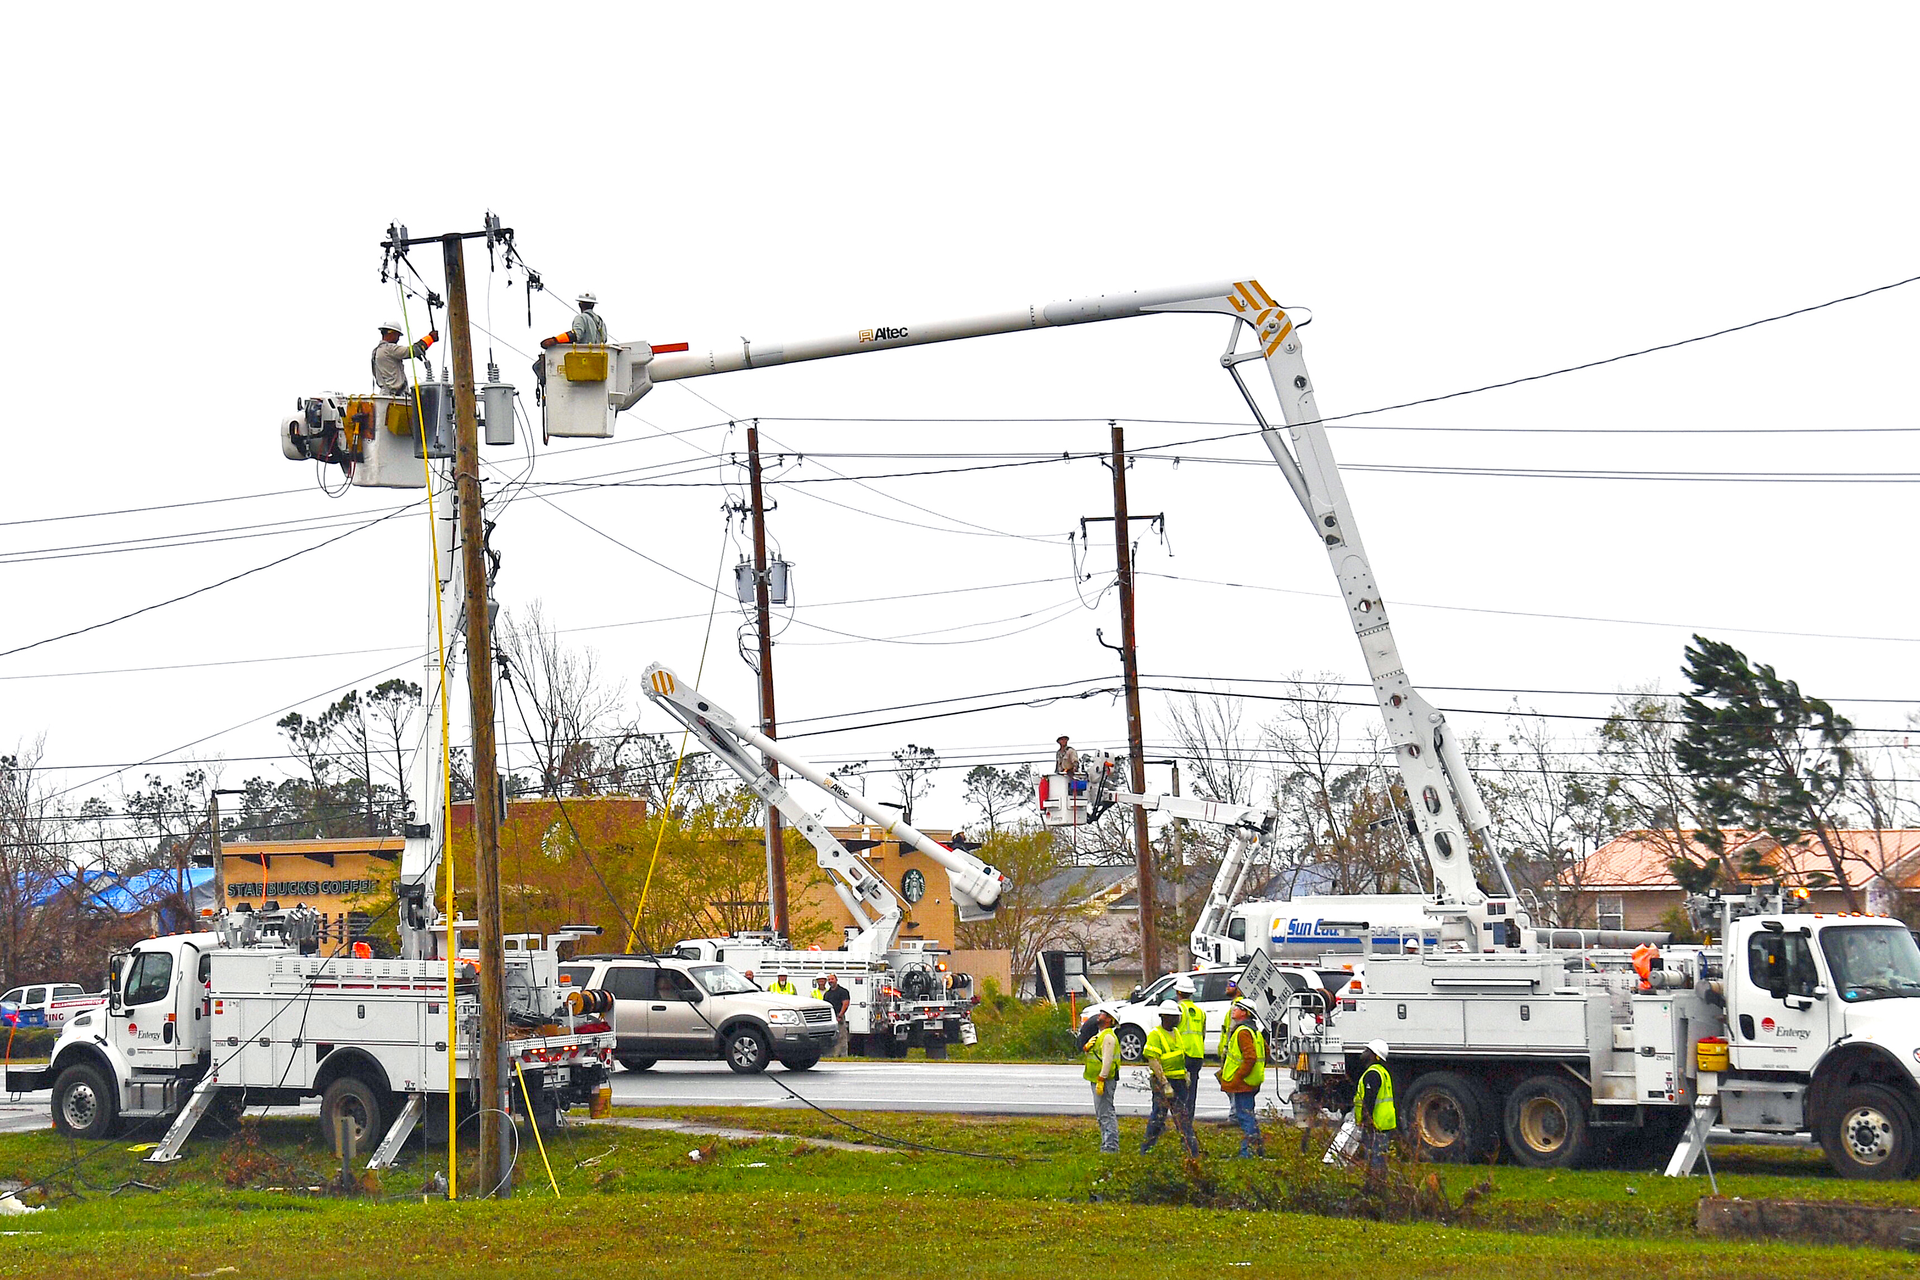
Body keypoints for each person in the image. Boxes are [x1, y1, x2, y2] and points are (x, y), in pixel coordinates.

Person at [1140, 1006, 1199, 1156]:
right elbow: (1153, 1060)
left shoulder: (1176, 1033)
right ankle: (1146, 1150)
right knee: (1158, 1117)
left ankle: (1191, 1152)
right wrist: (1164, 1083)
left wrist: (1185, 1074)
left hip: (1179, 1082)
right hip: (1164, 1083)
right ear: (1165, 1017)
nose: (1178, 1019)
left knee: (1182, 1117)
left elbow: (1180, 1055)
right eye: (1174, 1016)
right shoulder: (1156, 1034)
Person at [1215, 1003, 1266, 1158]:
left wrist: (1238, 1077)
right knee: (1248, 1115)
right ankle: (1257, 1149)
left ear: (1245, 1013)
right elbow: (1266, 1051)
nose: (1233, 1010)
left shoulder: (1243, 1032)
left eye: (1237, 1008)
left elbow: (1250, 1057)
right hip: (1251, 1080)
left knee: (1244, 1116)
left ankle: (1247, 1153)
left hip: (1243, 1083)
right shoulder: (1254, 1030)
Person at [1354, 1038, 1396, 1178]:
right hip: (1384, 1123)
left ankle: (1375, 1187)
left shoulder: (1373, 1074)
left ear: (1375, 1056)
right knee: (1380, 1159)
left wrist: (1366, 1121)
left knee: (1374, 1160)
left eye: (1367, 1051)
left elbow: (1369, 1100)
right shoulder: (1382, 1071)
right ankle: (1380, 1186)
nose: (1364, 1053)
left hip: (1375, 1125)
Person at [1083, 1008, 1120, 1154]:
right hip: (1097, 1079)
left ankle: (1110, 1147)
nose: (1099, 1016)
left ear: (1110, 1020)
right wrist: (1087, 1048)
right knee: (1101, 1114)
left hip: (1103, 1081)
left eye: (1103, 1014)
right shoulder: (1101, 1036)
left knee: (1106, 1114)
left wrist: (1101, 1079)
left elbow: (1107, 1061)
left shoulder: (1108, 1037)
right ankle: (1106, 1144)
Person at [372, 322, 437, 396]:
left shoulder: (376, 351)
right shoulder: (389, 349)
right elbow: (414, 350)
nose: (398, 339)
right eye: (398, 335)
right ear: (392, 333)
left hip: (386, 394)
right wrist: (430, 338)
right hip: (396, 396)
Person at [1175, 975, 1206, 1117]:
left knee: (1180, 1091)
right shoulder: (1200, 1011)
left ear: (1178, 993)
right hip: (1197, 1055)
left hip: (1182, 1055)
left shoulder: (1177, 1010)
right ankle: (1189, 1119)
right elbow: (1202, 1034)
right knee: (1192, 1090)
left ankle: (1182, 1122)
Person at [539, 292, 609, 349]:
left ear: (580, 305)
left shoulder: (581, 318)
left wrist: (555, 340)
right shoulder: (600, 321)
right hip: (599, 359)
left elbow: (575, 335)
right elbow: (605, 339)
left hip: (584, 357)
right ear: (593, 305)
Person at [821, 974, 851, 1056]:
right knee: (832, 1038)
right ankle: (833, 1055)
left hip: (839, 1016)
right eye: (829, 979)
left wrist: (840, 1015)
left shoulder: (843, 991)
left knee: (842, 1037)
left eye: (832, 979)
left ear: (836, 980)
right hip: (830, 1017)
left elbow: (845, 1003)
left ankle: (843, 1056)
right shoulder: (827, 994)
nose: (830, 981)